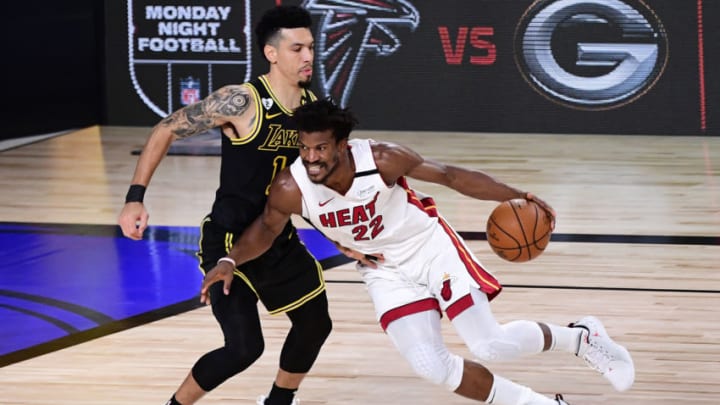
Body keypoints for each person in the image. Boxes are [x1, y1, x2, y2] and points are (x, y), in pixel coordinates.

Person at [200, 99, 636, 405]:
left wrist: (519, 194)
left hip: (429, 248)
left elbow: (450, 176)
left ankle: (582, 337)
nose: (311, 157)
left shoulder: (383, 159)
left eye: (321, 148)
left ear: (342, 144)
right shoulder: (291, 187)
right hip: (384, 270)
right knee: (431, 365)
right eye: (305, 147)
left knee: (490, 345)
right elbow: (266, 228)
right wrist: (228, 260)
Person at [117, 6, 347, 405]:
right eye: (297, 48)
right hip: (227, 239)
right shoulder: (242, 101)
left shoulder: (313, 107)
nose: (308, 55)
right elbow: (166, 129)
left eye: (311, 46)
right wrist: (135, 198)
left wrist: (351, 233)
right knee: (244, 347)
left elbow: (323, 179)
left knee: (314, 322)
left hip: (276, 236)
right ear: (272, 53)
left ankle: (278, 401)